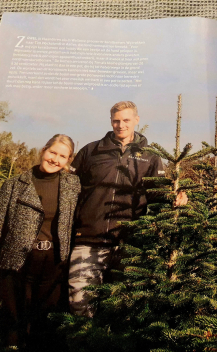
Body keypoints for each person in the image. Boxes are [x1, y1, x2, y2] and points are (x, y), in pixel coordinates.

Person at [68, 101, 187, 317]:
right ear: (111, 121)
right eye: (116, 120)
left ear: (136, 120)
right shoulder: (91, 151)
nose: (120, 125)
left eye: (126, 120)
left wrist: (175, 196)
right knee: (80, 303)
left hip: (128, 244)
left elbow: (157, 194)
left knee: (122, 307)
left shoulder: (150, 156)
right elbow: (67, 187)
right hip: (88, 240)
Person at [0, 134, 80, 350]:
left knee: (44, 324)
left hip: (53, 264)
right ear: (44, 150)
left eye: (62, 156)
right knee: (14, 321)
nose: (55, 159)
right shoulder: (14, 184)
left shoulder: (73, 186)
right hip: (17, 264)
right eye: (52, 152)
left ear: (69, 160)